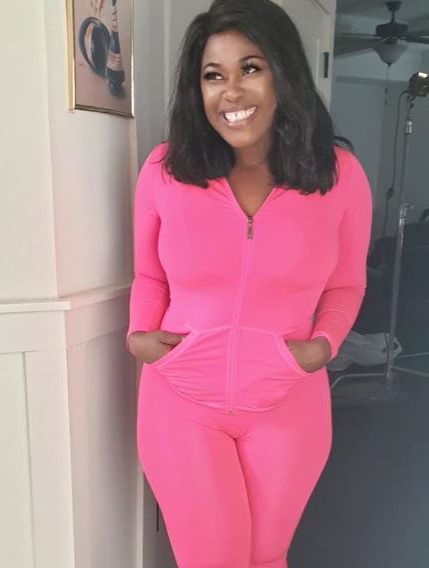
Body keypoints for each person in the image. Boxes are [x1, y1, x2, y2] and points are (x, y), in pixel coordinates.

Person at [126, 0, 372, 566]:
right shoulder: (166, 169)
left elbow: (346, 285)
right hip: (182, 398)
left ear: (284, 73)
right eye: (213, 75)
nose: (231, 92)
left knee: (266, 558)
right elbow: (148, 274)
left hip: (287, 398)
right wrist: (140, 334)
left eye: (251, 68)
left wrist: (323, 346)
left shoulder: (338, 177)